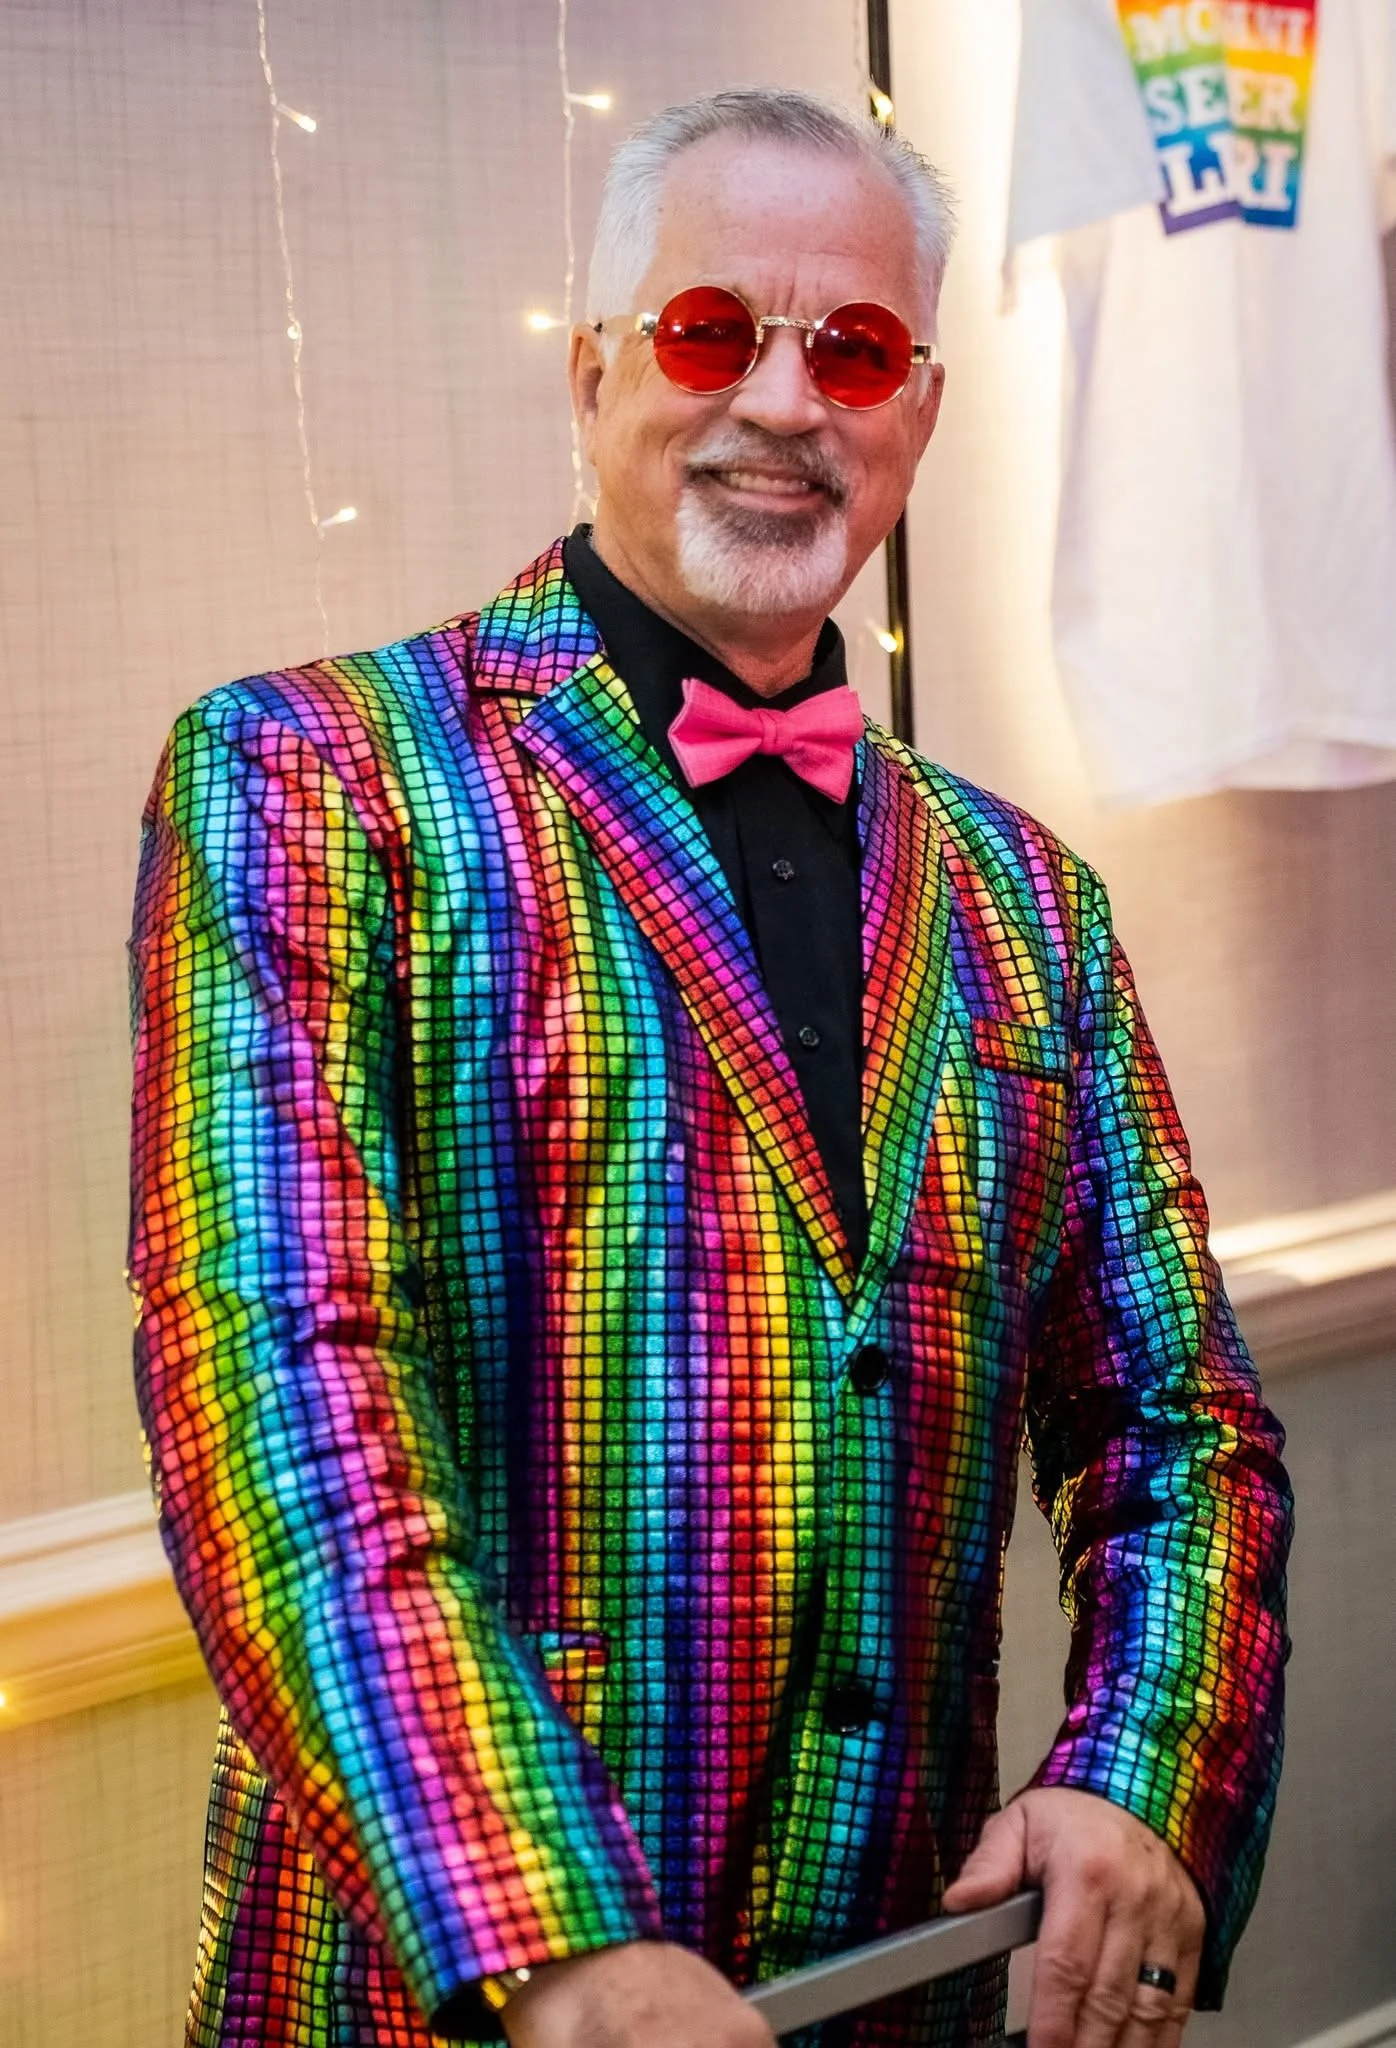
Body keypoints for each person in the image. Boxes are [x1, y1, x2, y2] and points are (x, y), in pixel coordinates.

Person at [129, 87, 1291, 2048]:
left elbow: (1174, 1426)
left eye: (849, 350)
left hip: (901, 1977)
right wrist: (554, 1936)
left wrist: (1137, 1767)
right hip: (453, 1998)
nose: (781, 400)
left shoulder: (1030, 898)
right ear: (589, 374)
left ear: (914, 414)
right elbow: (283, 1425)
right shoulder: (306, 779)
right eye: (704, 332)